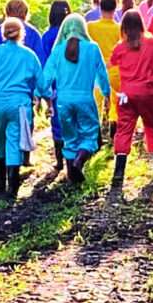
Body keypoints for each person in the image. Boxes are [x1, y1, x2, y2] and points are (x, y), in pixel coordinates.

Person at [0, 18, 43, 198]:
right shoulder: (29, 55)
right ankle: (12, 187)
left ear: (3, 34)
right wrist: (43, 97)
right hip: (19, 104)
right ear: (22, 34)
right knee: (14, 141)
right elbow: (41, 82)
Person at [41, 15, 110, 186]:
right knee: (90, 136)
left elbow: (46, 78)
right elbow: (102, 74)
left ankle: (72, 178)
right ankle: (79, 162)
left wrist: (41, 96)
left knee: (69, 138)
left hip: (63, 101)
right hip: (85, 99)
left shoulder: (57, 50)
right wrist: (107, 94)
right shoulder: (93, 48)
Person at [108, 9, 153, 186]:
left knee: (124, 130)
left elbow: (111, 64)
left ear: (123, 26)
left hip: (126, 94)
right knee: (152, 127)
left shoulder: (120, 47)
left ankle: (118, 173)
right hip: (147, 92)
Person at [38, 0, 72, 166]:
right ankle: (73, 159)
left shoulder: (47, 36)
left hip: (56, 85)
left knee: (57, 120)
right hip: (73, 83)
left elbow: (44, 64)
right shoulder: (73, 36)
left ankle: (59, 160)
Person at [87, 0, 121, 114]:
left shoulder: (90, 27)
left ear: (100, 8)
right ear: (115, 9)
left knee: (96, 103)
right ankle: (113, 122)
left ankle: (98, 128)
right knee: (115, 102)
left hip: (95, 70)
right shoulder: (119, 28)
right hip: (115, 70)